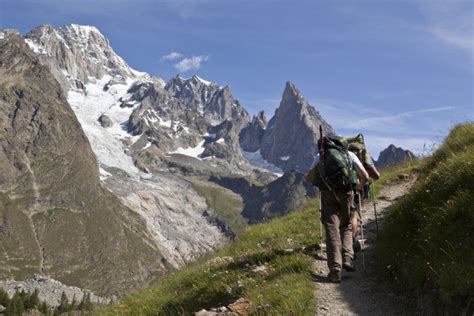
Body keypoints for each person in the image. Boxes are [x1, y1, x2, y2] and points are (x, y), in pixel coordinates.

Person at [308, 137, 369, 283]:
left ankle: (335, 271)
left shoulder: (321, 156)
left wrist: (320, 182)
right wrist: (358, 187)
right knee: (347, 225)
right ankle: (348, 258)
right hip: (347, 193)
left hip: (328, 194)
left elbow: (308, 176)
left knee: (331, 229)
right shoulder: (349, 154)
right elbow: (365, 176)